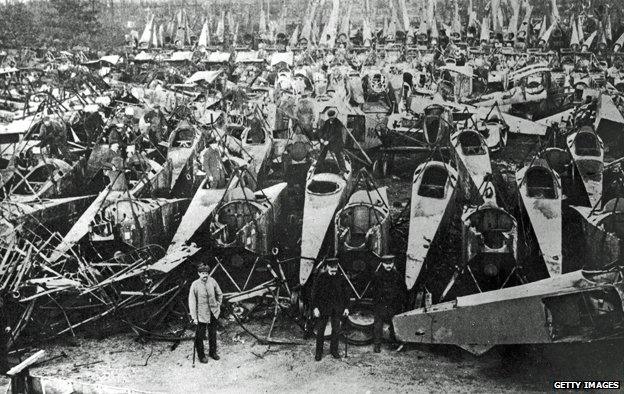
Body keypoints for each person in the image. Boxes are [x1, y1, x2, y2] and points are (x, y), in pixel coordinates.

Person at [311, 257, 350, 361]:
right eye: (331, 267)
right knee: (321, 331)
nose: (333, 269)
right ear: (327, 267)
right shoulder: (321, 277)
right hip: (323, 308)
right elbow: (315, 294)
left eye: (335, 267)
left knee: (336, 330)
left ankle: (334, 351)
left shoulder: (341, 278)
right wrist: (315, 308)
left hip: (337, 308)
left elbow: (346, 294)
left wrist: (346, 307)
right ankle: (318, 352)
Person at [370, 255, 407, 353]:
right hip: (381, 305)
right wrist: (377, 303)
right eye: (386, 263)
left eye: (390, 263)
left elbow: (403, 289)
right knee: (378, 325)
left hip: (393, 304)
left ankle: (393, 343)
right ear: (382, 264)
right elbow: (373, 291)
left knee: (393, 324)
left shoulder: (397, 275)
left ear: (393, 263)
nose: (388, 266)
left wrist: (400, 301)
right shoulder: (377, 275)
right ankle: (377, 345)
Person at [188, 263, 223, 363]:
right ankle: (201, 355)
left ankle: (213, 352)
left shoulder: (212, 281)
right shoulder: (195, 284)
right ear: (199, 273)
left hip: (213, 312)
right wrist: (194, 317)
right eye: (202, 273)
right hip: (201, 314)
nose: (205, 275)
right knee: (200, 335)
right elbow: (192, 301)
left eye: (206, 273)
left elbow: (219, 294)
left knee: (212, 333)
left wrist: (218, 305)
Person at [316, 109, 347, 175]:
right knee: (322, 153)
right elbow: (322, 131)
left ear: (335, 116)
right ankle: (318, 167)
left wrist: (328, 141)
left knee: (338, 154)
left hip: (336, 142)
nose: (331, 120)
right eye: (330, 118)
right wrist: (321, 138)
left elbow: (336, 134)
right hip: (327, 141)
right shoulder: (327, 122)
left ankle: (343, 169)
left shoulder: (338, 123)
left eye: (332, 118)